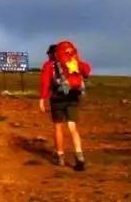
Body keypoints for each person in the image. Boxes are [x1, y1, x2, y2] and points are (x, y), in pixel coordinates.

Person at [39, 42, 91, 170]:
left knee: (58, 127)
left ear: (52, 54)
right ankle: (79, 155)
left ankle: (60, 157)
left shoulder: (49, 65)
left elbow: (45, 83)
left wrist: (42, 98)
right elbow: (86, 71)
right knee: (73, 127)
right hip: (73, 96)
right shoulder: (73, 62)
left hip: (57, 98)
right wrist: (76, 60)